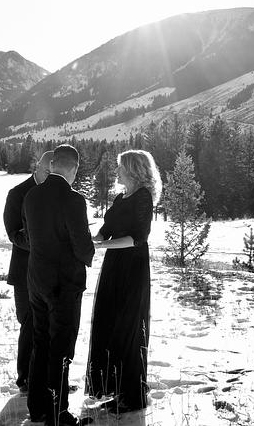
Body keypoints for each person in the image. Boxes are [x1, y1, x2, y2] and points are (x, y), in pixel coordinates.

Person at [85, 149, 162, 414]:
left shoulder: (143, 197)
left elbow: (138, 238)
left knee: (129, 327)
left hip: (132, 266)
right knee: (110, 323)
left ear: (133, 169)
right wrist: (89, 240)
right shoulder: (120, 197)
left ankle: (132, 395)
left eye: (120, 167)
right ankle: (115, 388)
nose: (116, 171)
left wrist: (102, 246)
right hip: (114, 265)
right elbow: (105, 231)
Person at [23, 144, 94, 426]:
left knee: (41, 342)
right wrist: (90, 252)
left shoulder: (31, 196)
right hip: (64, 284)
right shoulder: (73, 200)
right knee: (61, 348)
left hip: (36, 280)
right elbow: (82, 247)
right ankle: (58, 413)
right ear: (74, 168)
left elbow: (31, 237)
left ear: (53, 165)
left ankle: (37, 407)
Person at [3, 150, 53, 393]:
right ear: (36, 167)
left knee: (52, 326)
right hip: (25, 271)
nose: (50, 176)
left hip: (53, 271)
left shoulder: (59, 193)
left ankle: (50, 379)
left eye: (54, 172)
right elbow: (14, 234)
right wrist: (43, 241)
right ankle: (26, 380)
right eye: (46, 171)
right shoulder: (17, 194)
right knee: (29, 324)